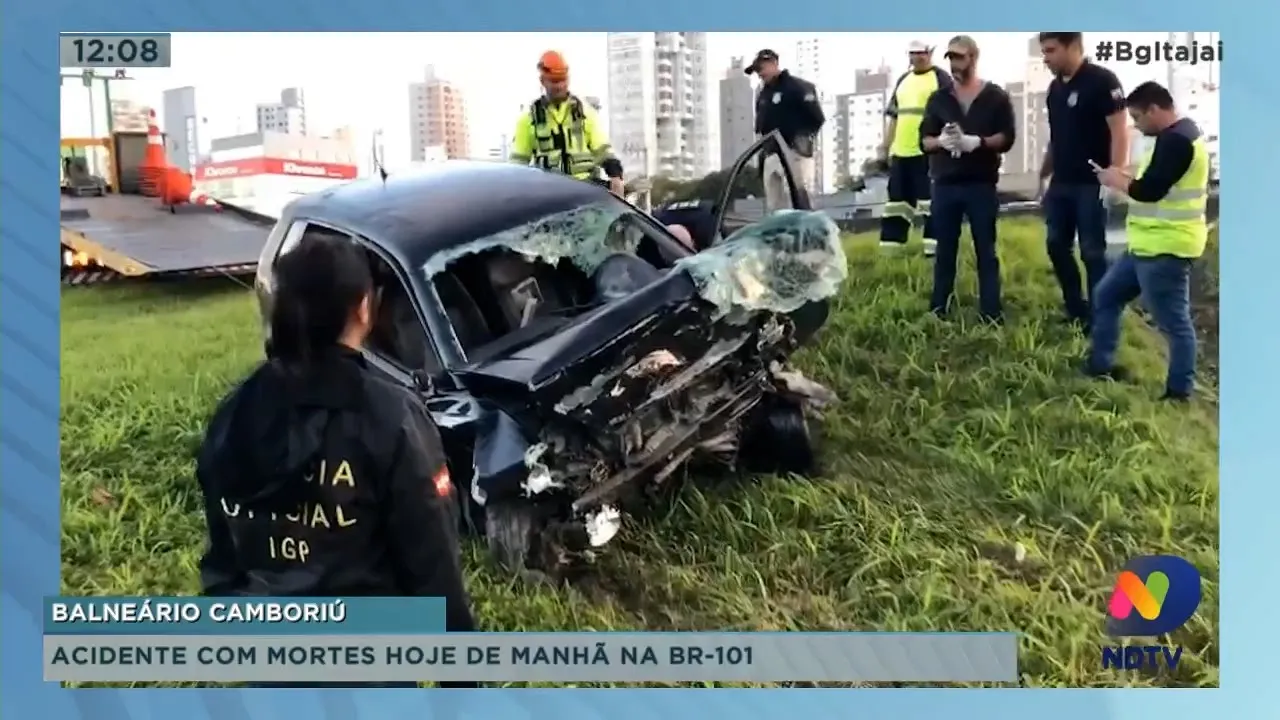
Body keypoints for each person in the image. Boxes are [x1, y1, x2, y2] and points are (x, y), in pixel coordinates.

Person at [196, 234, 477, 687]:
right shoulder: (389, 415)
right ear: (364, 308)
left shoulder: (235, 413)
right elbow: (432, 558)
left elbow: (221, 554)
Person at [1088, 81, 1209, 402]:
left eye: (1138, 117)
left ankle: (1178, 393)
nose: (1136, 126)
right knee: (1106, 295)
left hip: (1166, 249)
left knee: (1174, 324)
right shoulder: (1169, 137)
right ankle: (1100, 366)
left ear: (1156, 110)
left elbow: (1150, 190)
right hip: (1146, 246)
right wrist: (1124, 177)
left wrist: (1116, 181)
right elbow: (1150, 183)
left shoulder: (1177, 142)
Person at [919, 35, 1016, 323]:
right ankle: (939, 310)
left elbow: (1007, 137)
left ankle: (990, 312)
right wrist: (942, 142)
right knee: (944, 250)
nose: (954, 64)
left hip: (980, 184)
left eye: (959, 57)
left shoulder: (995, 96)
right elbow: (923, 141)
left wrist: (977, 142)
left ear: (973, 57)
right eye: (950, 58)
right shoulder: (939, 99)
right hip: (945, 184)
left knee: (985, 250)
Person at [1039, 32, 1129, 328]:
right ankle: (1075, 308)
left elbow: (1119, 130)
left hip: (1092, 184)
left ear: (1072, 47)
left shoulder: (1103, 81)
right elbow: (1057, 137)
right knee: (1055, 245)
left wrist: (1116, 174)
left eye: (1051, 50)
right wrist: (1043, 175)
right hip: (1061, 183)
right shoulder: (1054, 89)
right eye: (1044, 51)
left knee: (1092, 252)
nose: (1046, 57)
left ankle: (1100, 315)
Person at [510, 51, 625, 196]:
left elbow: (602, 149)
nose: (559, 86)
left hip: (586, 190)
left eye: (562, 80)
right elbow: (517, 163)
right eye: (554, 81)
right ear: (542, 81)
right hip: (549, 195)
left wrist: (615, 174)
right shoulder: (528, 119)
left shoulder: (584, 112)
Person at [880, 41, 953, 256]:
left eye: (922, 53)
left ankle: (934, 251)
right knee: (896, 205)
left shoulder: (941, 79)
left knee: (930, 203)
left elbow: (951, 115)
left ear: (930, 53)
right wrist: (885, 147)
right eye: (913, 54)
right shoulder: (903, 80)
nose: (918, 58)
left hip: (928, 152)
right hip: (901, 152)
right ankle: (891, 250)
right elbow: (894, 116)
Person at [746, 49, 825, 213]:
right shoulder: (763, 94)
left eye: (762, 68)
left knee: (800, 202)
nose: (760, 74)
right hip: (771, 155)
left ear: (774, 64)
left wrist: (801, 143)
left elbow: (816, 119)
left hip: (794, 154)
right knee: (775, 208)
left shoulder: (798, 87)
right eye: (757, 71)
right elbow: (761, 126)